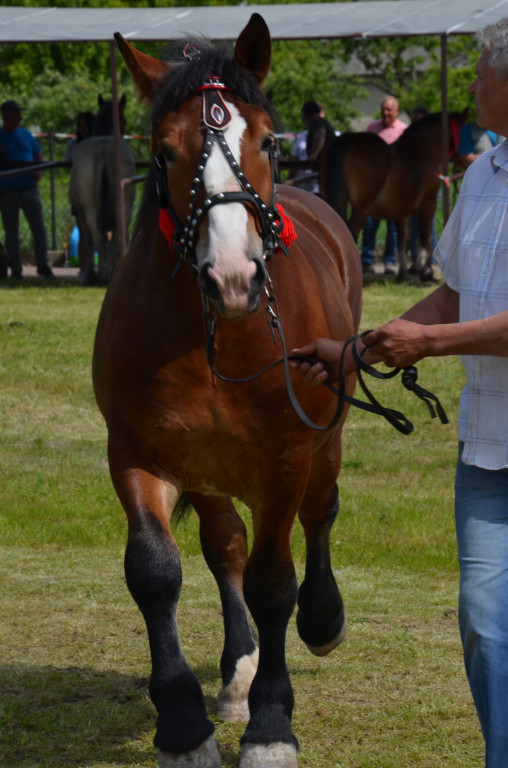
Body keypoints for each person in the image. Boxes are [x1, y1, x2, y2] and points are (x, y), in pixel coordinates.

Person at [291, 18, 508, 767]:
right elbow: (454, 295)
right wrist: (357, 350)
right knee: (483, 624)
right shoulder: (481, 175)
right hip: (487, 451)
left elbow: (458, 328)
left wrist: (426, 347)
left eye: (480, 73)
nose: (472, 87)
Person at [0, 100, 54, 280]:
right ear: (5, 115)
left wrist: (38, 169)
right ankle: (16, 269)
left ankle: (43, 265)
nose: (20, 117)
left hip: (30, 189)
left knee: (39, 229)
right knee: (12, 233)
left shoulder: (26, 135)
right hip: (7, 192)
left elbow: (39, 156)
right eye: (16, 113)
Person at [361, 96, 407, 275]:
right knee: (370, 223)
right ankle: (366, 260)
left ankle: (389, 261)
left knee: (393, 228)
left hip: (395, 187)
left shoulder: (404, 130)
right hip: (374, 185)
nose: (386, 113)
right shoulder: (373, 128)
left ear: (396, 111)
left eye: (389, 110)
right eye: (383, 109)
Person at [290, 101, 323, 194]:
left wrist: (314, 155)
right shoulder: (303, 135)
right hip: (309, 186)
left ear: (305, 115)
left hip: (318, 185)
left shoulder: (315, 121)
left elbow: (321, 134)